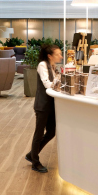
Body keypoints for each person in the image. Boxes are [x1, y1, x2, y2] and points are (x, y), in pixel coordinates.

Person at [25, 44, 62, 173]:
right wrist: (60, 82)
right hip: (42, 105)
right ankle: (35, 162)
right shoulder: (42, 65)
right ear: (49, 56)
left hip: (51, 104)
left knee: (51, 132)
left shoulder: (53, 66)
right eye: (58, 54)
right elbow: (47, 84)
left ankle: (31, 155)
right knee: (39, 134)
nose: (61, 56)